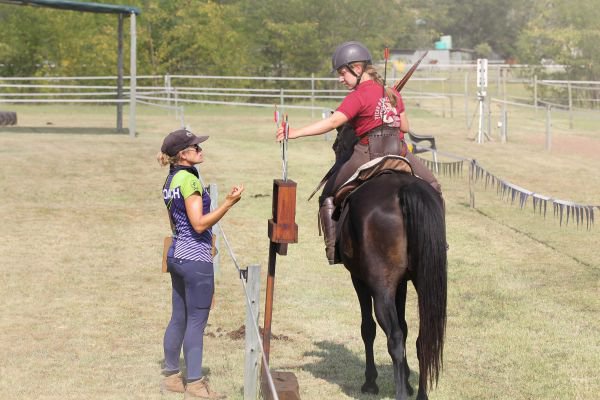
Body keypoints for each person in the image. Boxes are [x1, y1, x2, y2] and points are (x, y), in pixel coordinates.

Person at [276, 41, 441, 264]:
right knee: (433, 187)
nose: (340, 79)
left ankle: (334, 249)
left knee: (328, 195)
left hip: (368, 153)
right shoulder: (392, 94)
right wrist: (387, 110)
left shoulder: (357, 96)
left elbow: (333, 121)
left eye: (343, 73)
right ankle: (439, 240)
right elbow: (404, 128)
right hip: (400, 152)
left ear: (357, 68)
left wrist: (294, 132)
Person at [157, 128, 244, 399]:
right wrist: (229, 203)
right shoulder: (190, 181)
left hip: (177, 255)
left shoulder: (170, 180)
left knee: (179, 317)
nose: (201, 151)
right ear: (183, 155)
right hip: (195, 258)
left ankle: (172, 377)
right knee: (196, 321)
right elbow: (198, 223)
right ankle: (195, 383)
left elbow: (178, 223)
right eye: (196, 147)